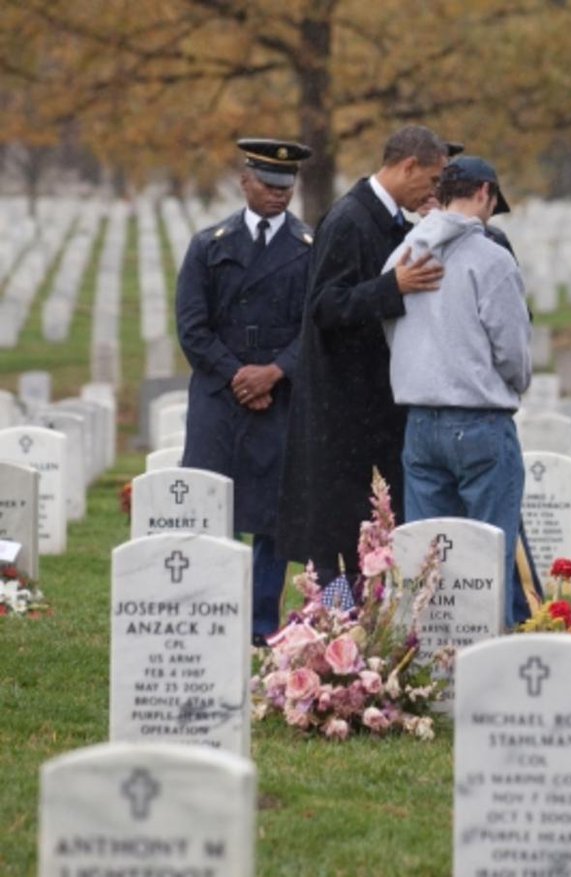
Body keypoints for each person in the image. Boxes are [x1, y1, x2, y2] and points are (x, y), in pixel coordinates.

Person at [276, 125, 448, 585]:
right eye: (431, 180)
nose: (434, 191)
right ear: (408, 165)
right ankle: (336, 630)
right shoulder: (350, 219)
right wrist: (392, 287)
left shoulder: (391, 221)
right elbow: (325, 306)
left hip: (374, 408)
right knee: (339, 537)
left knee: (374, 535)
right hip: (341, 410)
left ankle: (367, 632)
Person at [381, 156, 532, 626]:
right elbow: (511, 347)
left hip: (420, 421)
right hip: (479, 421)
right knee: (491, 556)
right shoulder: (491, 259)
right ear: (484, 192)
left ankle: (430, 666)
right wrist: (514, 381)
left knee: (431, 559)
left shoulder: (403, 255)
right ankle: (492, 660)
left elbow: (391, 325)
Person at [176, 138, 313, 644]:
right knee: (214, 511)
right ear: (245, 181)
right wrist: (239, 375)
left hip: (278, 400)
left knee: (270, 520)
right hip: (219, 399)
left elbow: (312, 330)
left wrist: (273, 374)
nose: (280, 194)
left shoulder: (307, 248)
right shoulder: (209, 245)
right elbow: (192, 328)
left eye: (288, 185)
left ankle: (260, 626)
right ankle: (210, 614)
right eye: (270, 184)